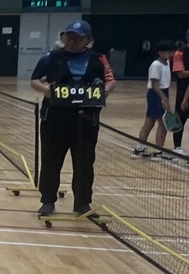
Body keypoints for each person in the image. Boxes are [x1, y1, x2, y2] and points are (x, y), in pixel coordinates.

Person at [30, 20, 116, 216]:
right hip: (55, 119)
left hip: (86, 120)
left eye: (77, 38)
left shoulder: (99, 59)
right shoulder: (50, 57)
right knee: (50, 161)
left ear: (88, 39)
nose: (72, 41)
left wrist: (106, 91)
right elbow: (35, 80)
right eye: (69, 37)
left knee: (85, 163)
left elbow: (110, 80)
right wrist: (45, 90)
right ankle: (47, 201)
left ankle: (82, 203)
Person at [134, 41, 175, 156]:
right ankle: (157, 150)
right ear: (160, 53)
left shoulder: (167, 63)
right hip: (155, 94)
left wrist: (166, 97)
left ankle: (142, 148)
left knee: (151, 122)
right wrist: (163, 98)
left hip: (163, 92)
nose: (171, 54)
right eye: (169, 52)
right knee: (161, 123)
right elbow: (155, 84)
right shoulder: (156, 65)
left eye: (172, 52)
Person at [171, 39, 188, 156]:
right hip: (182, 92)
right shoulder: (179, 53)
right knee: (180, 119)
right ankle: (177, 147)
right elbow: (180, 74)